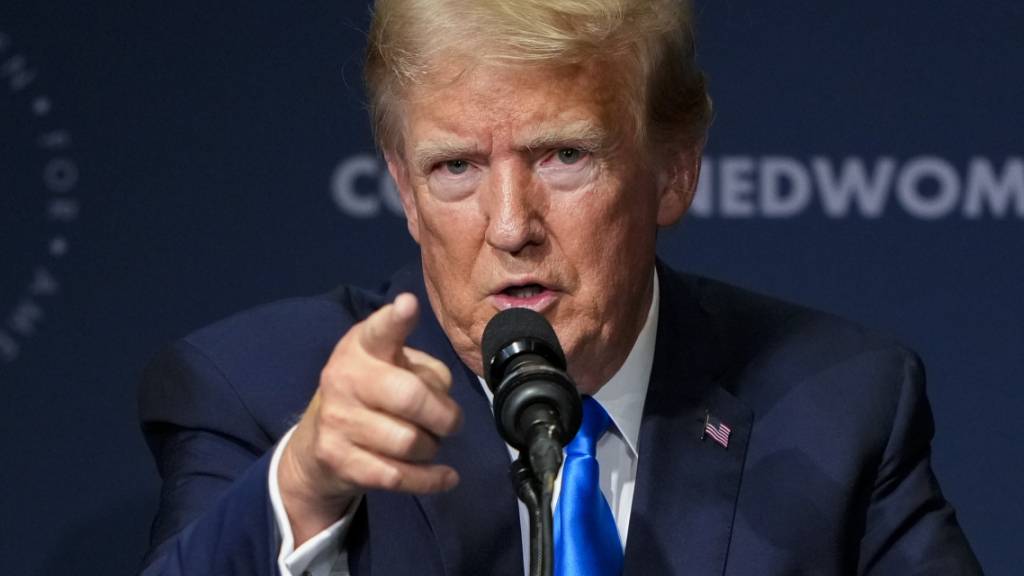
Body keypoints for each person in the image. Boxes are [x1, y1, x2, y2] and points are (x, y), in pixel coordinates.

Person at [138, 0, 983, 574]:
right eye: (456, 167)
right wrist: (304, 486)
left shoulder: (842, 408)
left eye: (563, 156)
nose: (510, 224)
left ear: (675, 170)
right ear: (403, 188)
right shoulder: (256, 393)